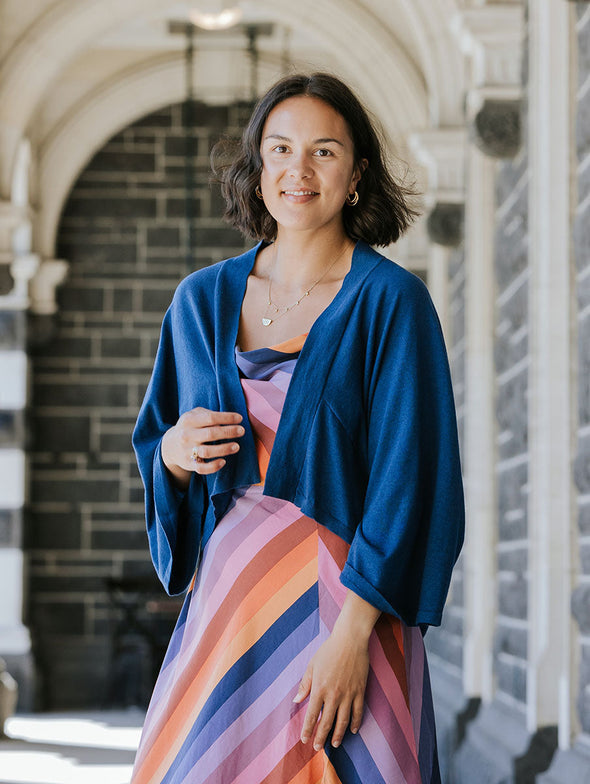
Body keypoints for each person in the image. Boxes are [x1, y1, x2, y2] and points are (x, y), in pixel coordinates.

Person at [130, 72, 464, 784]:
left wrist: (353, 636)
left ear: (357, 174)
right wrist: (175, 453)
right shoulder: (198, 302)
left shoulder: (393, 303)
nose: (298, 170)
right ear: (257, 173)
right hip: (229, 613)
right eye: (280, 150)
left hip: (354, 614)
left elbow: (414, 482)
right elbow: (159, 447)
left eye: (323, 151)